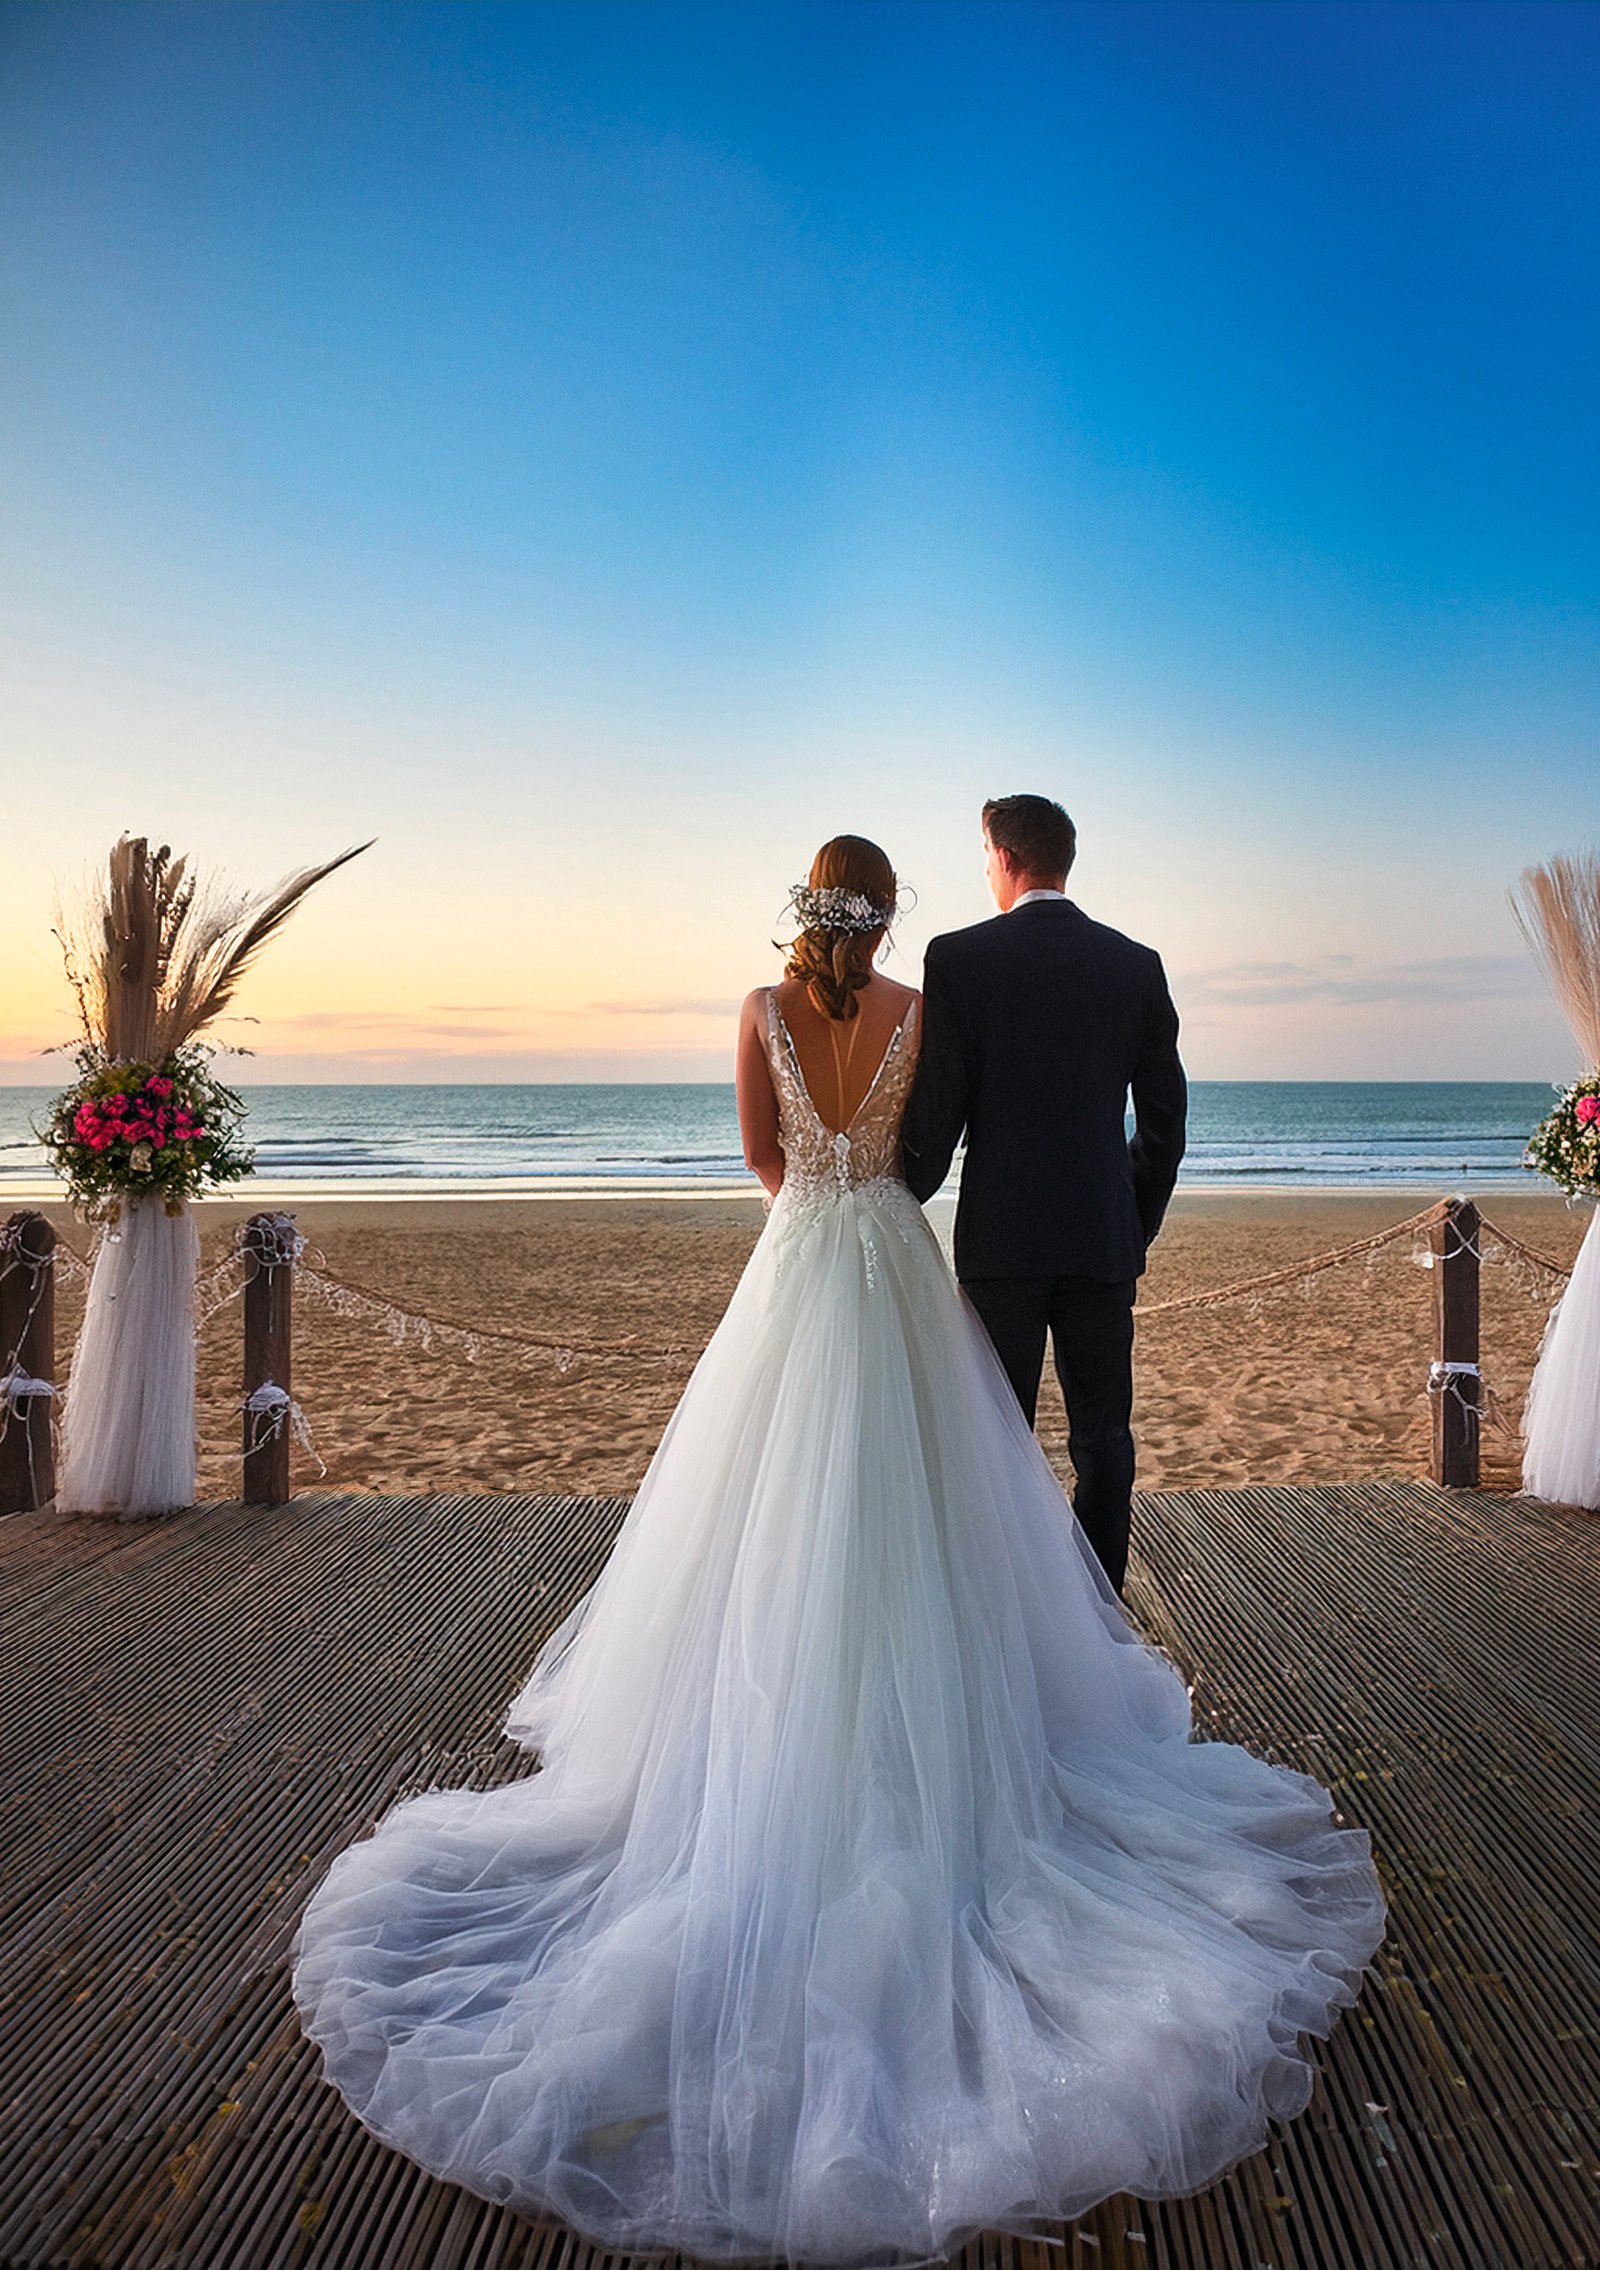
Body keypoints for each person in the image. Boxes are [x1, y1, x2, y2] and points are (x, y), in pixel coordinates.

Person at [292, 833, 1385, 2267]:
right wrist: (875, 1196)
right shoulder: (923, 1012)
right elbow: (922, 1161)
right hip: (890, 1262)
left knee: (763, 1522)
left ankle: (774, 1736)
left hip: (797, 1270)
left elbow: (763, 1156)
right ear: (885, 920)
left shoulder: (758, 1013)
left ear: (807, 911)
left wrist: (814, 1203)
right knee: (932, 1507)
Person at [903, 794, 1186, 1593]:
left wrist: (902, 1188)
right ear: (1063, 860)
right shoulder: (1135, 964)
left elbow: (940, 1109)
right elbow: (1166, 1118)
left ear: (1002, 856)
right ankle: (1098, 1605)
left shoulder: (957, 960)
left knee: (1000, 1434)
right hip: (1101, 1236)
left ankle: (1007, 1606)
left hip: (1002, 1240)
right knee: (1104, 1437)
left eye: (983, 854)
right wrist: (1135, 1218)